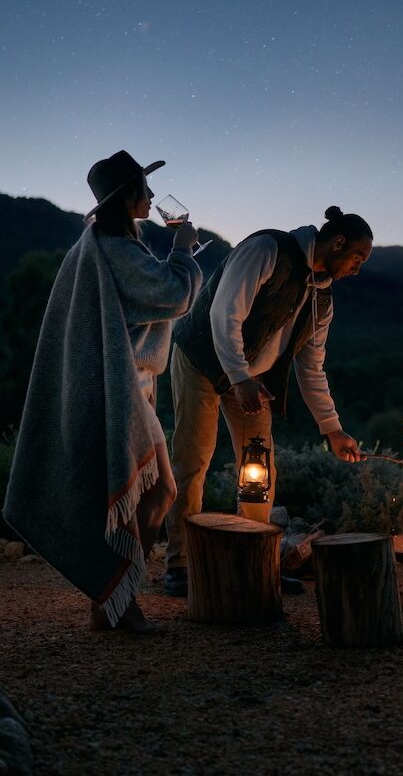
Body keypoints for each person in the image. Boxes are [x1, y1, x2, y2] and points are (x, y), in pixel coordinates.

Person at [3, 150, 202, 632]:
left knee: (151, 492)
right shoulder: (115, 247)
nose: (153, 198)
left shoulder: (100, 243)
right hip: (119, 389)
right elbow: (174, 295)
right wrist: (184, 248)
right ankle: (116, 602)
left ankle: (112, 601)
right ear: (127, 196)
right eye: (145, 189)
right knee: (154, 493)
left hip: (119, 386)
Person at [164, 205, 373, 597]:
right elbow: (224, 314)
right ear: (338, 242)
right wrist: (239, 377)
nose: (357, 269)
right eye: (357, 258)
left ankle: (256, 561)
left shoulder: (322, 299)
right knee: (193, 459)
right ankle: (180, 564)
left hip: (251, 379)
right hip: (202, 361)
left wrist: (332, 429)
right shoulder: (267, 249)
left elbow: (311, 368)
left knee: (258, 467)